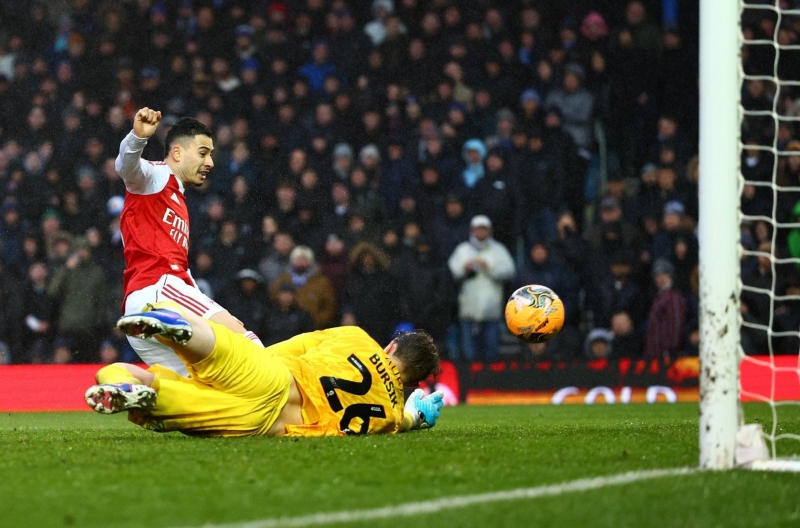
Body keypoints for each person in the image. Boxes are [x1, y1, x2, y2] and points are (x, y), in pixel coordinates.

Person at [84, 301, 443, 438]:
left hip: (274, 380)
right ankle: (135, 397)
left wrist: (243, 359)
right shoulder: (393, 416)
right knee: (166, 400)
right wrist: (418, 417)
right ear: (411, 382)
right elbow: (409, 419)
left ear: (391, 346)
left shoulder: (357, 337)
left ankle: (176, 327)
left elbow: (293, 347)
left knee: (213, 347)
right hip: (262, 425)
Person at [115, 107, 263, 375]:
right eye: (204, 153)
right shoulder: (157, 177)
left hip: (142, 305)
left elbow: (179, 268)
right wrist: (138, 137)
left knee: (202, 386)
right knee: (251, 348)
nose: (210, 163)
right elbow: (126, 167)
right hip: (158, 292)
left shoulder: (178, 198)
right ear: (178, 153)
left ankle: (124, 380)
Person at [448, 215, 515, 362]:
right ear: (472, 231)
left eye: (483, 229)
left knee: (491, 354)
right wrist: (465, 267)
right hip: (468, 312)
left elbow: (509, 271)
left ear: (489, 231)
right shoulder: (463, 249)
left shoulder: (498, 250)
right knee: (469, 355)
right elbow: (452, 271)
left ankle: (490, 385)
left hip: (491, 313)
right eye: (477, 229)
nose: (480, 233)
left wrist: (488, 266)